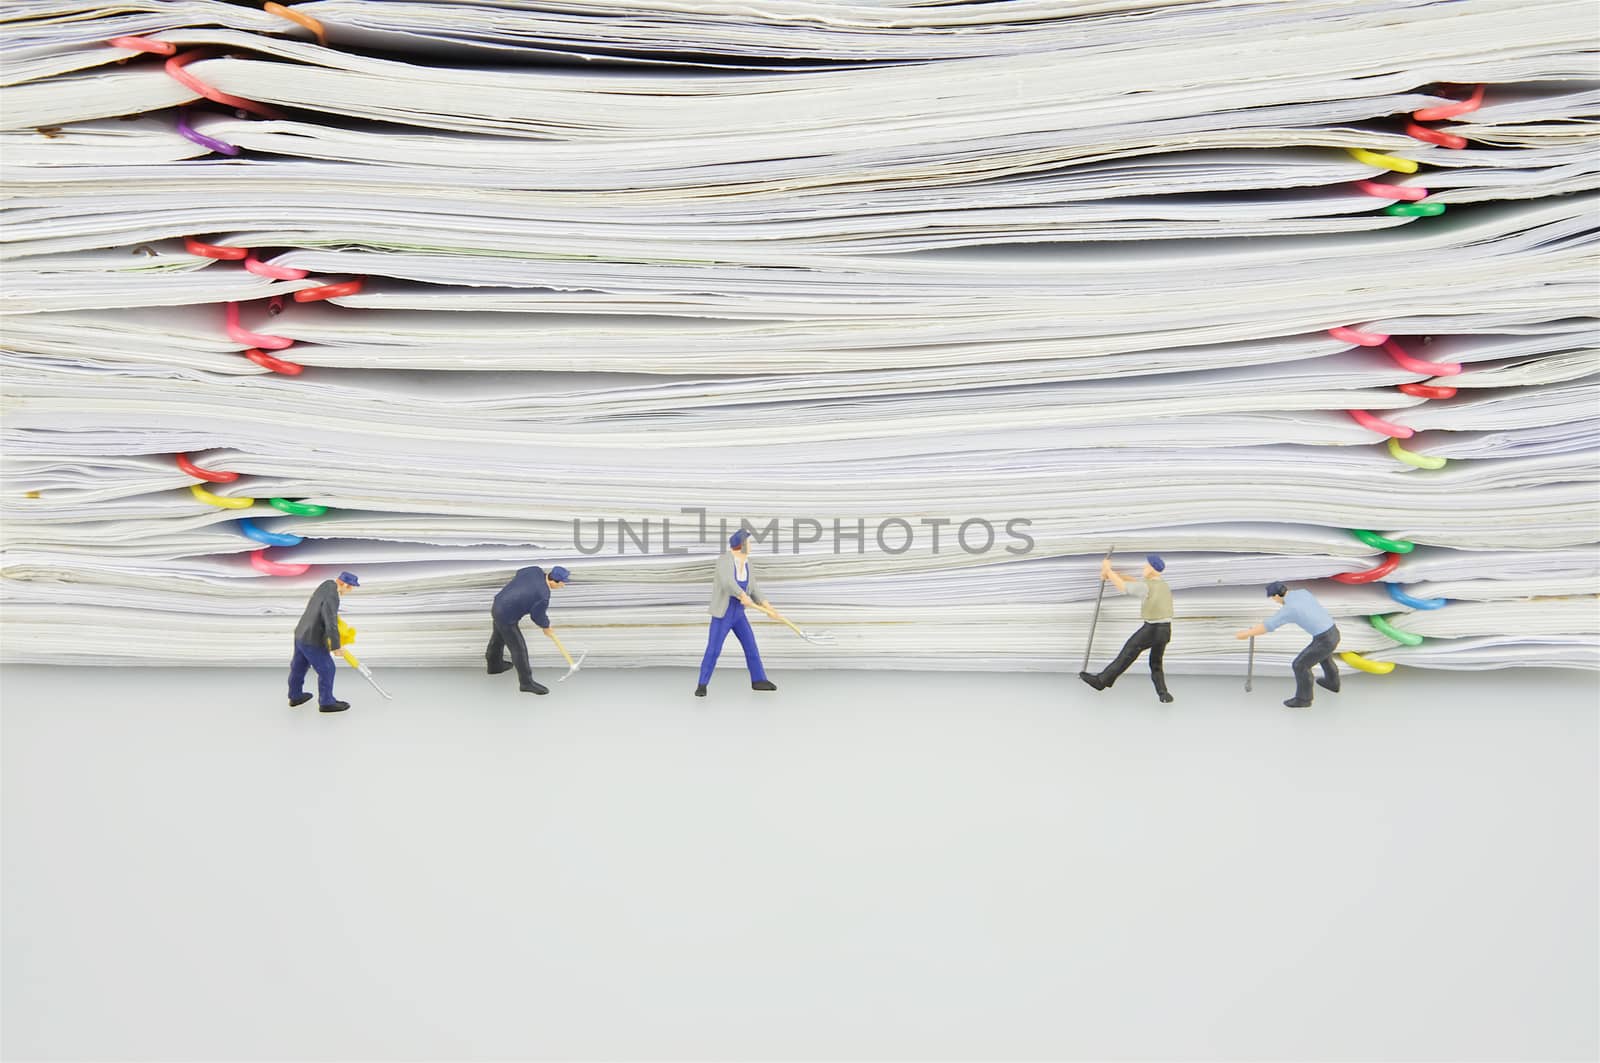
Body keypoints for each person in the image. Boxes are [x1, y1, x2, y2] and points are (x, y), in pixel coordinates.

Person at [697, 529, 781, 697]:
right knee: (714, 649)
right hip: (724, 613)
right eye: (748, 543)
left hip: (739, 614)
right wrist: (742, 595)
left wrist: (768, 608)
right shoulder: (724, 560)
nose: (750, 546)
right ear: (741, 545)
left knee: (751, 646)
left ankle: (758, 680)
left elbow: (754, 588)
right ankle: (702, 684)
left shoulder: (747, 563)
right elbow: (727, 582)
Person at [1079, 554, 1175, 703]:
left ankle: (1101, 681)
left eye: (1146, 565)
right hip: (1166, 630)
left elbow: (1124, 587)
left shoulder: (1147, 586)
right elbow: (1135, 582)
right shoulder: (1162, 584)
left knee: (1127, 654)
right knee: (1156, 663)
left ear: (1151, 569)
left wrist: (1108, 570)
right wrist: (1113, 575)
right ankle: (1163, 694)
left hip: (1152, 629)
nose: (1144, 567)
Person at [1235, 581, 1341, 708]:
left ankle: (1304, 699)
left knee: (1300, 665)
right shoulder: (1303, 592)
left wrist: (1247, 633)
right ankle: (1332, 683)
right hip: (1333, 631)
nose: (1275, 601)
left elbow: (1268, 625)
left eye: (1273, 599)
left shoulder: (1290, 609)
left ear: (1276, 596)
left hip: (1324, 638)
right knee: (1324, 657)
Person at [487, 565, 570, 695]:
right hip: (506, 616)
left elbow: (519, 572)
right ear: (554, 581)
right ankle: (526, 683)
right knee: (519, 649)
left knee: (498, 638)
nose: (563, 586)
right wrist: (546, 627)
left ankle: (494, 666)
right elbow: (537, 616)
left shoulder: (534, 570)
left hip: (499, 603)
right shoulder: (543, 595)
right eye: (562, 583)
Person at [289, 571, 359, 713]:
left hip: (300, 633)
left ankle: (295, 696)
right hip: (313, 639)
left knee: (298, 666)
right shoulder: (333, 596)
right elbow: (330, 621)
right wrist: (336, 646)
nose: (350, 590)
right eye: (350, 587)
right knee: (327, 669)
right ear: (344, 584)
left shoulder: (326, 584)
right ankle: (326, 702)